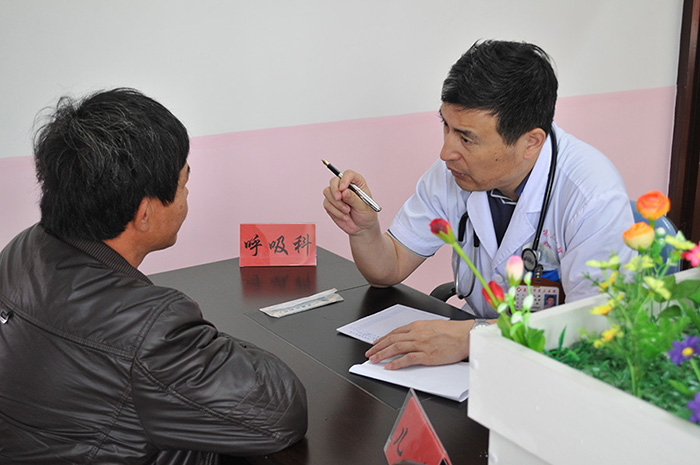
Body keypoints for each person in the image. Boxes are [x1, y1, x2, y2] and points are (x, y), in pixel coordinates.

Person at [0, 88, 307, 464]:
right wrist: (194, 339)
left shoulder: (22, 249)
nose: (187, 194)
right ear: (144, 213)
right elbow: (282, 410)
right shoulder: (148, 328)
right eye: (182, 183)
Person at [323, 40, 634, 370]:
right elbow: (389, 269)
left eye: (466, 138)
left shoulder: (591, 198)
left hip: (553, 368)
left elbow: (596, 326)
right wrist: (364, 231)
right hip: (471, 364)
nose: (446, 152)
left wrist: (472, 338)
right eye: (445, 126)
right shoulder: (453, 174)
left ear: (530, 142)